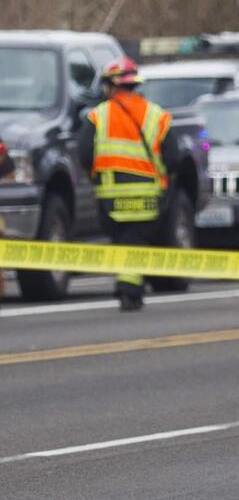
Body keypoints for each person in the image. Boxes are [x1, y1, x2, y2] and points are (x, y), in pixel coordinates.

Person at [78, 56, 178, 312]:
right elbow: (173, 158)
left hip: (110, 197)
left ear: (109, 85)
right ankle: (130, 288)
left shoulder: (96, 116)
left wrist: (97, 177)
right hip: (149, 196)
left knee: (124, 240)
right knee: (136, 241)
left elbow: (84, 155)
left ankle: (128, 288)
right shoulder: (158, 116)